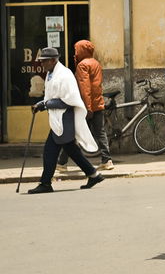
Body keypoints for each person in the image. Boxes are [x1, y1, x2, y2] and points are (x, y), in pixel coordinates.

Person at [26, 46, 104, 194]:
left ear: (53, 60)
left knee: (50, 151)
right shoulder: (51, 74)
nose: (42, 64)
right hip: (58, 120)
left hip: (64, 119)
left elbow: (68, 101)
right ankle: (93, 175)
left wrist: (45, 105)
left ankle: (45, 183)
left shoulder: (65, 75)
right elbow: (51, 97)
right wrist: (41, 104)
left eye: (44, 61)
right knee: (71, 151)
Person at [74, 39, 113, 170]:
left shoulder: (82, 65)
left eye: (76, 50)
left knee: (76, 133)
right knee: (100, 132)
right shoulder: (96, 63)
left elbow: (85, 88)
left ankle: (61, 163)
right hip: (98, 103)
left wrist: (87, 107)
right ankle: (107, 160)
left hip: (88, 106)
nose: (75, 53)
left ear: (82, 50)